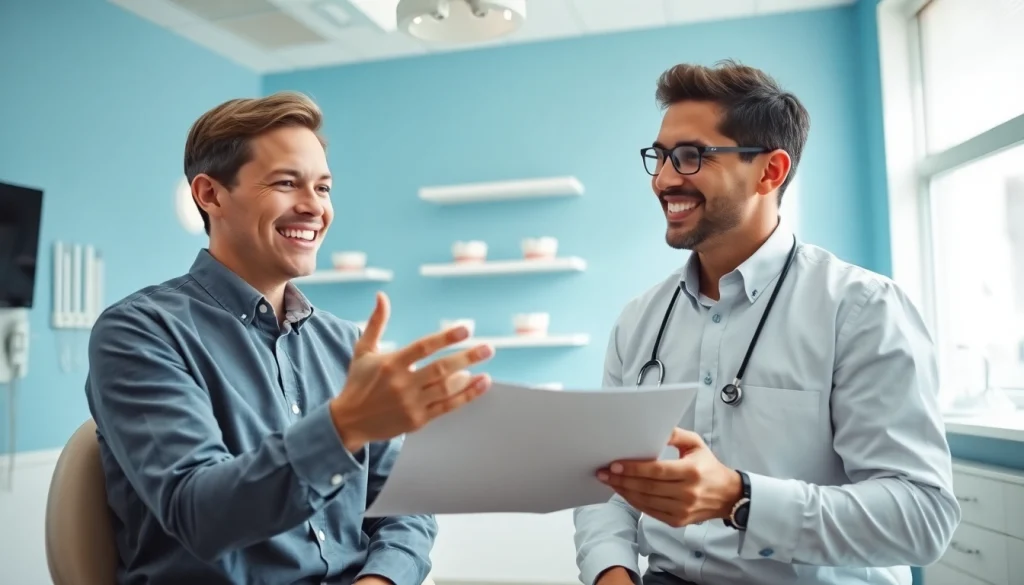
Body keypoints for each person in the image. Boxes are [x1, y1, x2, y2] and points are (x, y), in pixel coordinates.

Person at [572, 60, 961, 585]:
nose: (664, 179)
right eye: (659, 157)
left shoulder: (862, 310)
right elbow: (609, 484)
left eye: (690, 156)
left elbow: (921, 518)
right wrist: (611, 571)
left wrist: (741, 499)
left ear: (770, 171)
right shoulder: (639, 321)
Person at [85, 91, 496, 585]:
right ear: (210, 195)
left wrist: (380, 579)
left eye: (323, 188)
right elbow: (199, 513)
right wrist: (343, 428)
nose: (314, 206)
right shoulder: (140, 331)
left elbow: (405, 507)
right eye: (286, 183)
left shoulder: (345, 343)